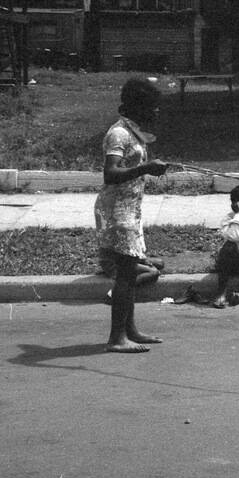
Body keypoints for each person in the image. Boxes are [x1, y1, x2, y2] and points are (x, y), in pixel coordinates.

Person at [94, 77, 173, 353]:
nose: (156, 111)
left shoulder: (132, 132)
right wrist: (146, 168)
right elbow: (110, 173)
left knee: (128, 272)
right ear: (138, 106)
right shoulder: (119, 134)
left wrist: (148, 167)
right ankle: (117, 338)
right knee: (126, 275)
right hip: (117, 211)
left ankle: (130, 331)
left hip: (129, 210)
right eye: (152, 106)